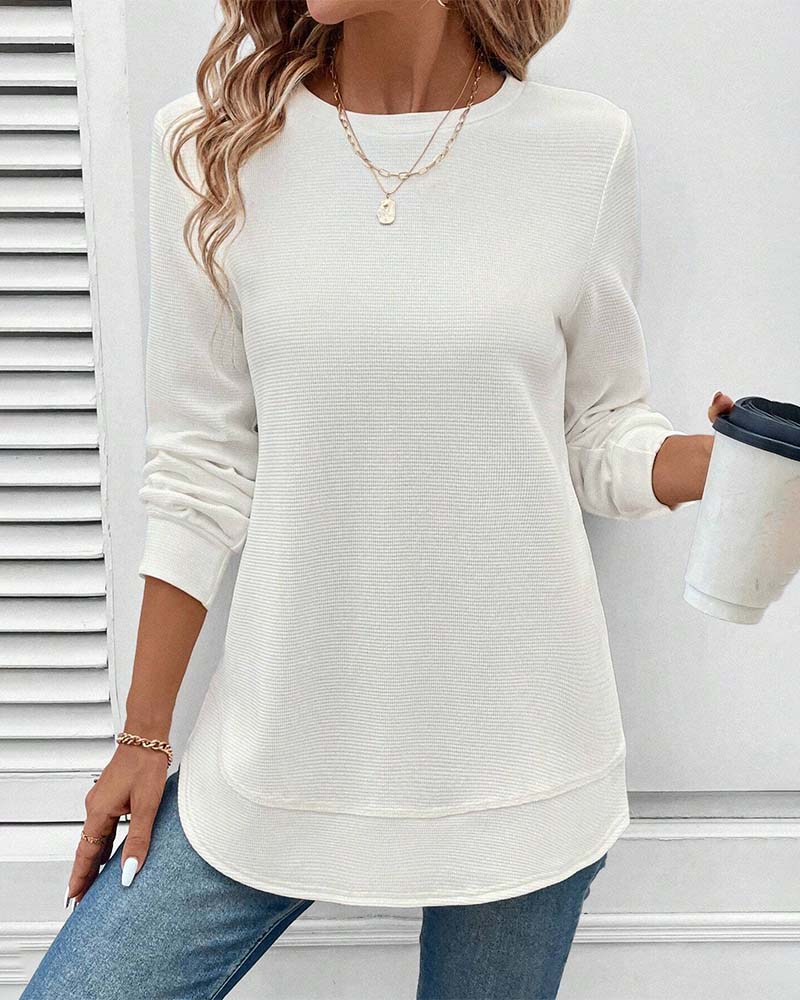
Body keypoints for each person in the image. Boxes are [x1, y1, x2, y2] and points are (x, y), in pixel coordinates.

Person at [21, 1, 734, 997]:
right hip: (274, 756)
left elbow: (598, 433)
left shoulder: (582, 148)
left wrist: (733, 465)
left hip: (523, 763)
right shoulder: (211, 145)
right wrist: (144, 733)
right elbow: (198, 465)